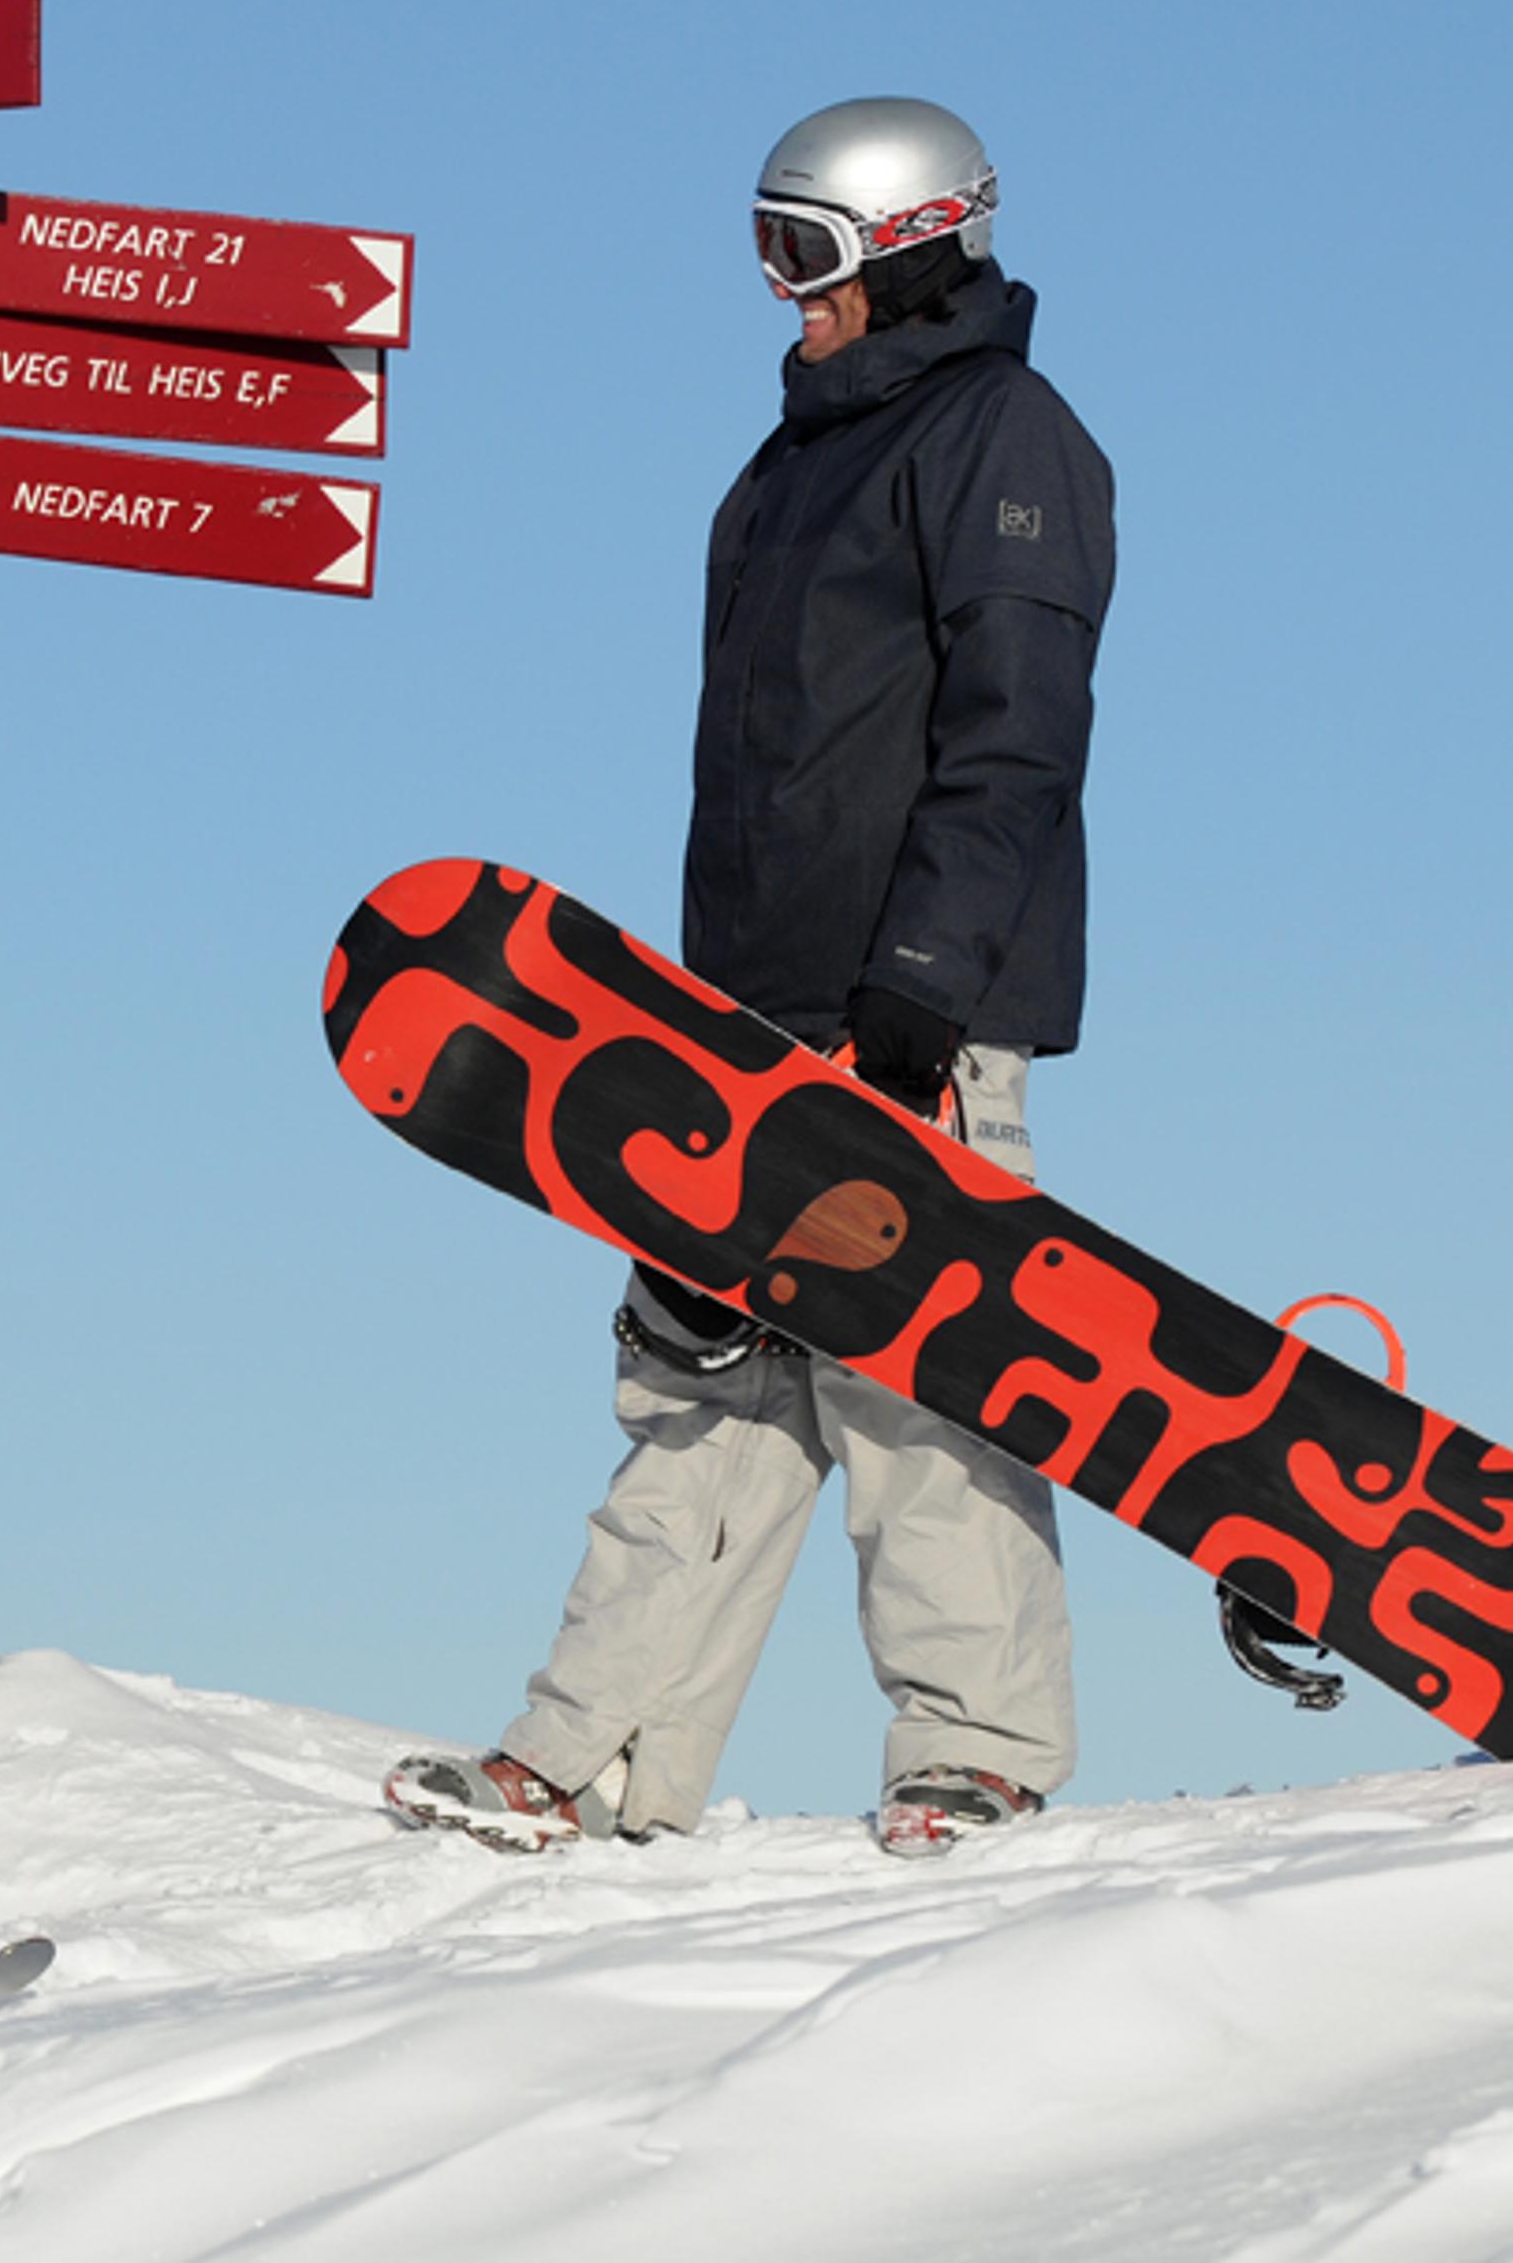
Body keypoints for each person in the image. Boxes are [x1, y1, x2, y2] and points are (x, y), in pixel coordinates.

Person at [388, 97, 1116, 1861]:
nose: (779, 291)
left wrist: (924, 991)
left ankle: (979, 1747)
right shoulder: (792, 462)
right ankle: (595, 1750)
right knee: (701, 1369)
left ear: (911, 239)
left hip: (919, 1001)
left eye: (805, 253)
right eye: (767, 249)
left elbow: (1016, 740)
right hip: (754, 1005)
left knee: (920, 1368)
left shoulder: (1005, 435)